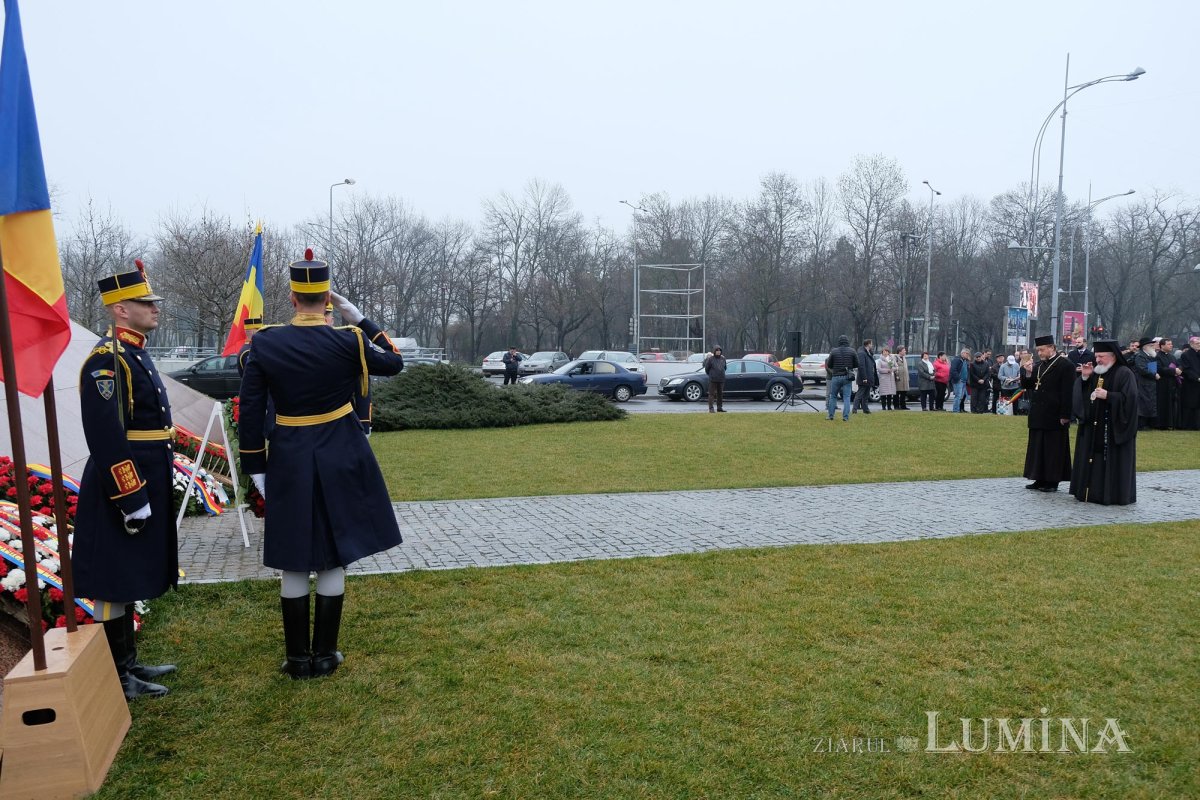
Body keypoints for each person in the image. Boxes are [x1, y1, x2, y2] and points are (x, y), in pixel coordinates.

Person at [240, 249, 405, 679]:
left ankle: (297, 659)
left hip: (290, 456)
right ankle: (326, 655)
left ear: (293, 298)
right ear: (327, 299)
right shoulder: (348, 339)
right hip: (340, 453)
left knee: (294, 556)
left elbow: (251, 409)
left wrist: (256, 466)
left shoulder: (266, 342)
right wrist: (362, 319)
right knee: (334, 553)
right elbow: (395, 362)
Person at [74, 261, 178, 701]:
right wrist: (131, 495)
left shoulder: (133, 352)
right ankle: (116, 675)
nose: (155, 308)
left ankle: (128, 662)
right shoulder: (106, 360)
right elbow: (106, 435)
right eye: (145, 303)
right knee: (113, 579)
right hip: (122, 484)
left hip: (145, 474)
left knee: (128, 572)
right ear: (120, 309)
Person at [1070, 340, 1138, 505]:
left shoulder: (1124, 373)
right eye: (1096, 356)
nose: (1097, 360)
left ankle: (1111, 495)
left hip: (1112, 428)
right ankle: (1091, 493)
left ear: (1113, 356)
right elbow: (1085, 396)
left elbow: (1130, 401)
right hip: (1094, 428)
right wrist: (1085, 378)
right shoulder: (1097, 372)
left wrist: (1109, 396)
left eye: (1101, 356)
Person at [1020, 335, 1074, 492]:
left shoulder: (1065, 365)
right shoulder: (1039, 365)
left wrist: (1065, 414)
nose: (1039, 353)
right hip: (1038, 414)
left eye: (1042, 350)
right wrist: (1028, 372)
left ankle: (1052, 481)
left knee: (1053, 449)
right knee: (1038, 448)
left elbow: (1068, 392)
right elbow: (1028, 385)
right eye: (1038, 350)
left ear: (1052, 348)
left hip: (1055, 414)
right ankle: (1039, 477)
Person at [824, 335, 857, 421]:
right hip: (847, 376)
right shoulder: (852, 351)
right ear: (847, 342)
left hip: (836, 376)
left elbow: (829, 364)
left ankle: (830, 415)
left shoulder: (834, 351)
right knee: (846, 397)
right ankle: (845, 417)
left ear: (839, 342)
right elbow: (857, 363)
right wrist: (850, 366)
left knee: (833, 396)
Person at [1132, 337, 1159, 430]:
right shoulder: (1140, 356)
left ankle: (1148, 423)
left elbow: (1152, 369)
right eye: (1151, 346)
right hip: (1142, 383)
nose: (1153, 347)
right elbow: (1142, 369)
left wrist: (1154, 373)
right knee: (1143, 404)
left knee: (1149, 403)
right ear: (1145, 347)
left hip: (1150, 383)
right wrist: (1154, 375)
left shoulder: (1150, 356)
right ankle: (1141, 424)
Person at [1154, 338, 1181, 430]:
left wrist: (1179, 369)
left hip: (1172, 383)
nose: (1171, 345)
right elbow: (1159, 369)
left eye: (1171, 344)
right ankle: (1161, 424)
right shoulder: (1157, 356)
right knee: (1163, 404)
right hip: (1162, 384)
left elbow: (1178, 365)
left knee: (1172, 404)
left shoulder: (1172, 356)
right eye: (1169, 344)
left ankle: (1171, 423)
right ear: (1162, 346)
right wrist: (1174, 370)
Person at [1179, 336, 1200, 431]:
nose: (1199, 345)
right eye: (1197, 343)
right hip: (1190, 383)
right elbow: (1187, 369)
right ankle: (1188, 425)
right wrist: (1197, 378)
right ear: (1191, 344)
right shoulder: (1186, 355)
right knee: (1190, 404)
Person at [853, 339, 877, 414]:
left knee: (866, 395)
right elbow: (861, 366)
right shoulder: (862, 353)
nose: (872, 345)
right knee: (860, 394)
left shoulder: (868, 353)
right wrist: (864, 378)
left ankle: (865, 409)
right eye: (871, 344)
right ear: (868, 344)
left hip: (869, 377)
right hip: (864, 378)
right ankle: (854, 409)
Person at [703, 345, 727, 412]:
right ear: (714, 351)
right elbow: (707, 369)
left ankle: (719, 407)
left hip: (721, 379)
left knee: (720, 394)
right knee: (711, 394)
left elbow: (725, 368)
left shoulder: (723, 359)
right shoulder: (711, 359)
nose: (718, 352)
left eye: (719, 350)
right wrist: (711, 375)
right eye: (717, 350)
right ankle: (711, 408)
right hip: (713, 379)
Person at [949, 348, 970, 412]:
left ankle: (958, 409)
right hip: (958, 381)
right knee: (958, 396)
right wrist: (958, 379)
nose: (967, 355)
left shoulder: (965, 361)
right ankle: (955, 410)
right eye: (967, 353)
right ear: (962, 353)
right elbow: (953, 370)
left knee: (961, 397)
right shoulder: (956, 360)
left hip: (964, 381)